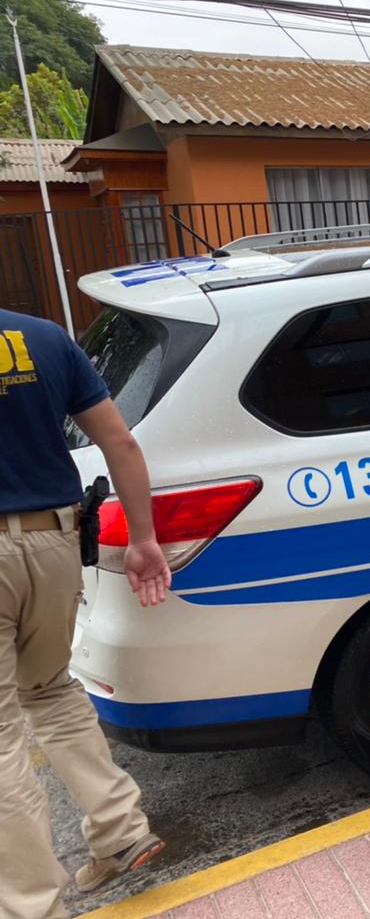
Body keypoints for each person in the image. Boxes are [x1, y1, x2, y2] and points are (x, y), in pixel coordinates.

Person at [0, 308, 172, 919]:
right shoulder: (43, 337)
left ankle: (32, 906)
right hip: (54, 541)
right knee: (49, 689)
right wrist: (144, 538)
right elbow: (119, 441)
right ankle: (120, 830)